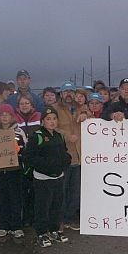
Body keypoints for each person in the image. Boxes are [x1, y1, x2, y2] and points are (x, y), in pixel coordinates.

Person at [24, 107, 72, 247]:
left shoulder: (59, 136)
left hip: (58, 177)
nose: (52, 122)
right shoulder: (37, 136)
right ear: (43, 121)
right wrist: (46, 166)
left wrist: (65, 161)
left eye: (54, 119)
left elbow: (64, 153)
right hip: (43, 178)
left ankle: (54, 230)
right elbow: (29, 157)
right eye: (48, 119)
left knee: (56, 205)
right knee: (42, 206)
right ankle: (41, 233)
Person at [52, 81, 87, 230]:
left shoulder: (82, 108)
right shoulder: (54, 109)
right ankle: (59, 220)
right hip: (63, 156)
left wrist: (86, 114)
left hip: (80, 157)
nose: (68, 95)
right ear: (61, 94)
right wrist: (67, 136)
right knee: (61, 190)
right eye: (65, 92)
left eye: (71, 92)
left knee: (75, 191)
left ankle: (70, 218)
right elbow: (51, 127)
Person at [0, 104, 27, 238]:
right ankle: (4, 226)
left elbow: (25, 148)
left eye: (7, 114)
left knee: (15, 198)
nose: (5, 117)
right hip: (0, 171)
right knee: (3, 198)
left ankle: (16, 226)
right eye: (2, 115)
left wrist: (19, 150)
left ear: (12, 116)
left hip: (15, 170)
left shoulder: (19, 132)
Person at [14, 93, 41, 227]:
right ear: (18, 106)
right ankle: (25, 217)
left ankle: (36, 216)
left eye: (27, 103)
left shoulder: (39, 117)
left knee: (36, 190)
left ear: (32, 105)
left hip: (36, 158)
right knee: (23, 190)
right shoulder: (14, 118)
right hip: (21, 159)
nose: (24, 106)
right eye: (21, 103)